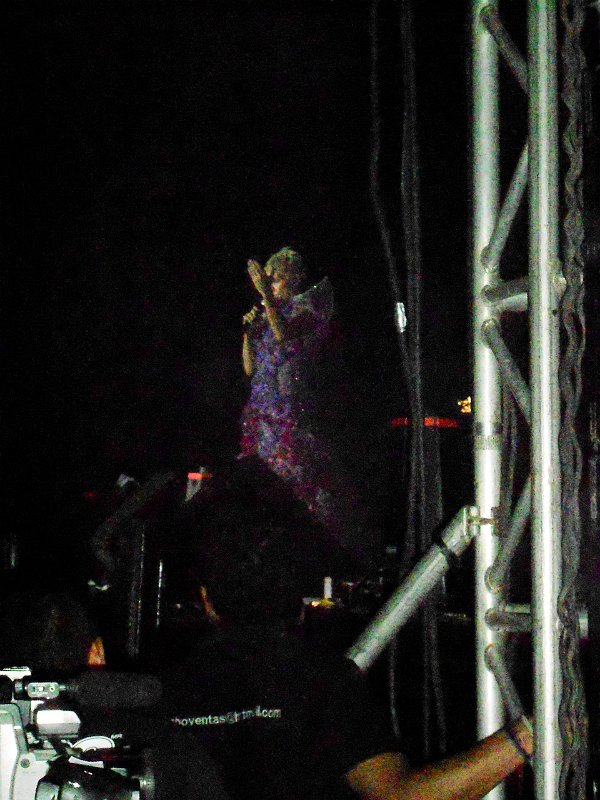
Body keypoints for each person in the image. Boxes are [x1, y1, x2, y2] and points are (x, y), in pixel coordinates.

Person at [154, 520, 533, 800]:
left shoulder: (161, 689)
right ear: (299, 601)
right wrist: (529, 734)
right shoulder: (321, 680)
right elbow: (397, 796)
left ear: (207, 601)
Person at [239, 246, 378, 569]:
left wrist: (267, 300)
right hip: (261, 414)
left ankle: (317, 559)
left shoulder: (308, 309)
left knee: (298, 484)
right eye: (268, 278)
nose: (271, 283)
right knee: (262, 489)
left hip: (291, 413)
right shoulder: (268, 313)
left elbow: (284, 337)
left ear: (295, 278)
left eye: (276, 277)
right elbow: (249, 368)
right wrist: (247, 332)